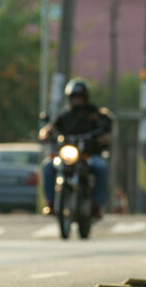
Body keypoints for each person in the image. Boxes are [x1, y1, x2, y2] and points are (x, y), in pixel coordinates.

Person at [39, 78, 112, 219]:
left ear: (86, 98)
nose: (77, 100)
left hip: (89, 155)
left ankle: (97, 206)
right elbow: (49, 129)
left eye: (80, 97)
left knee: (101, 167)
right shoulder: (64, 116)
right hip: (67, 156)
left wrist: (102, 138)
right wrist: (45, 134)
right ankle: (50, 203)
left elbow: (107, 132)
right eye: (75, 97)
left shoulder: (95, 115)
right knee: (48, 166)